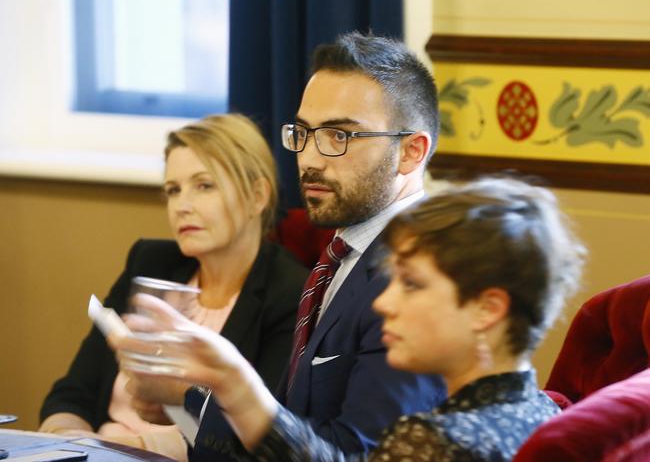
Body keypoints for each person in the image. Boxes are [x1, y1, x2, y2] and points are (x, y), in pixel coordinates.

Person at [112, 176, 587, 461]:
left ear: (488, 308)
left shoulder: (439, 441)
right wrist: (233, 383)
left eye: (413, 284)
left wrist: (234, 383)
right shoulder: (542, 413)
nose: (384, 303)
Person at [182, 31, 447, 460]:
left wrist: (231, 386)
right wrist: (182, 403)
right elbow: (301, 423)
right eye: (303, 133)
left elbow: (357, 456)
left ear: (411, 152)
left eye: (339, 136)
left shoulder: (418, 279)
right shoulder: (345, 251)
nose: (309, 159)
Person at [39, 114, 309, 461]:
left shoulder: (289, 293)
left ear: (257, 196)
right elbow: (73, 392)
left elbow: (254, 442)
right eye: (173, 190)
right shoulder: (149, 262)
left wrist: (119, 449)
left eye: (204, 185)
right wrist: (62, 441)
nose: (182, 206)